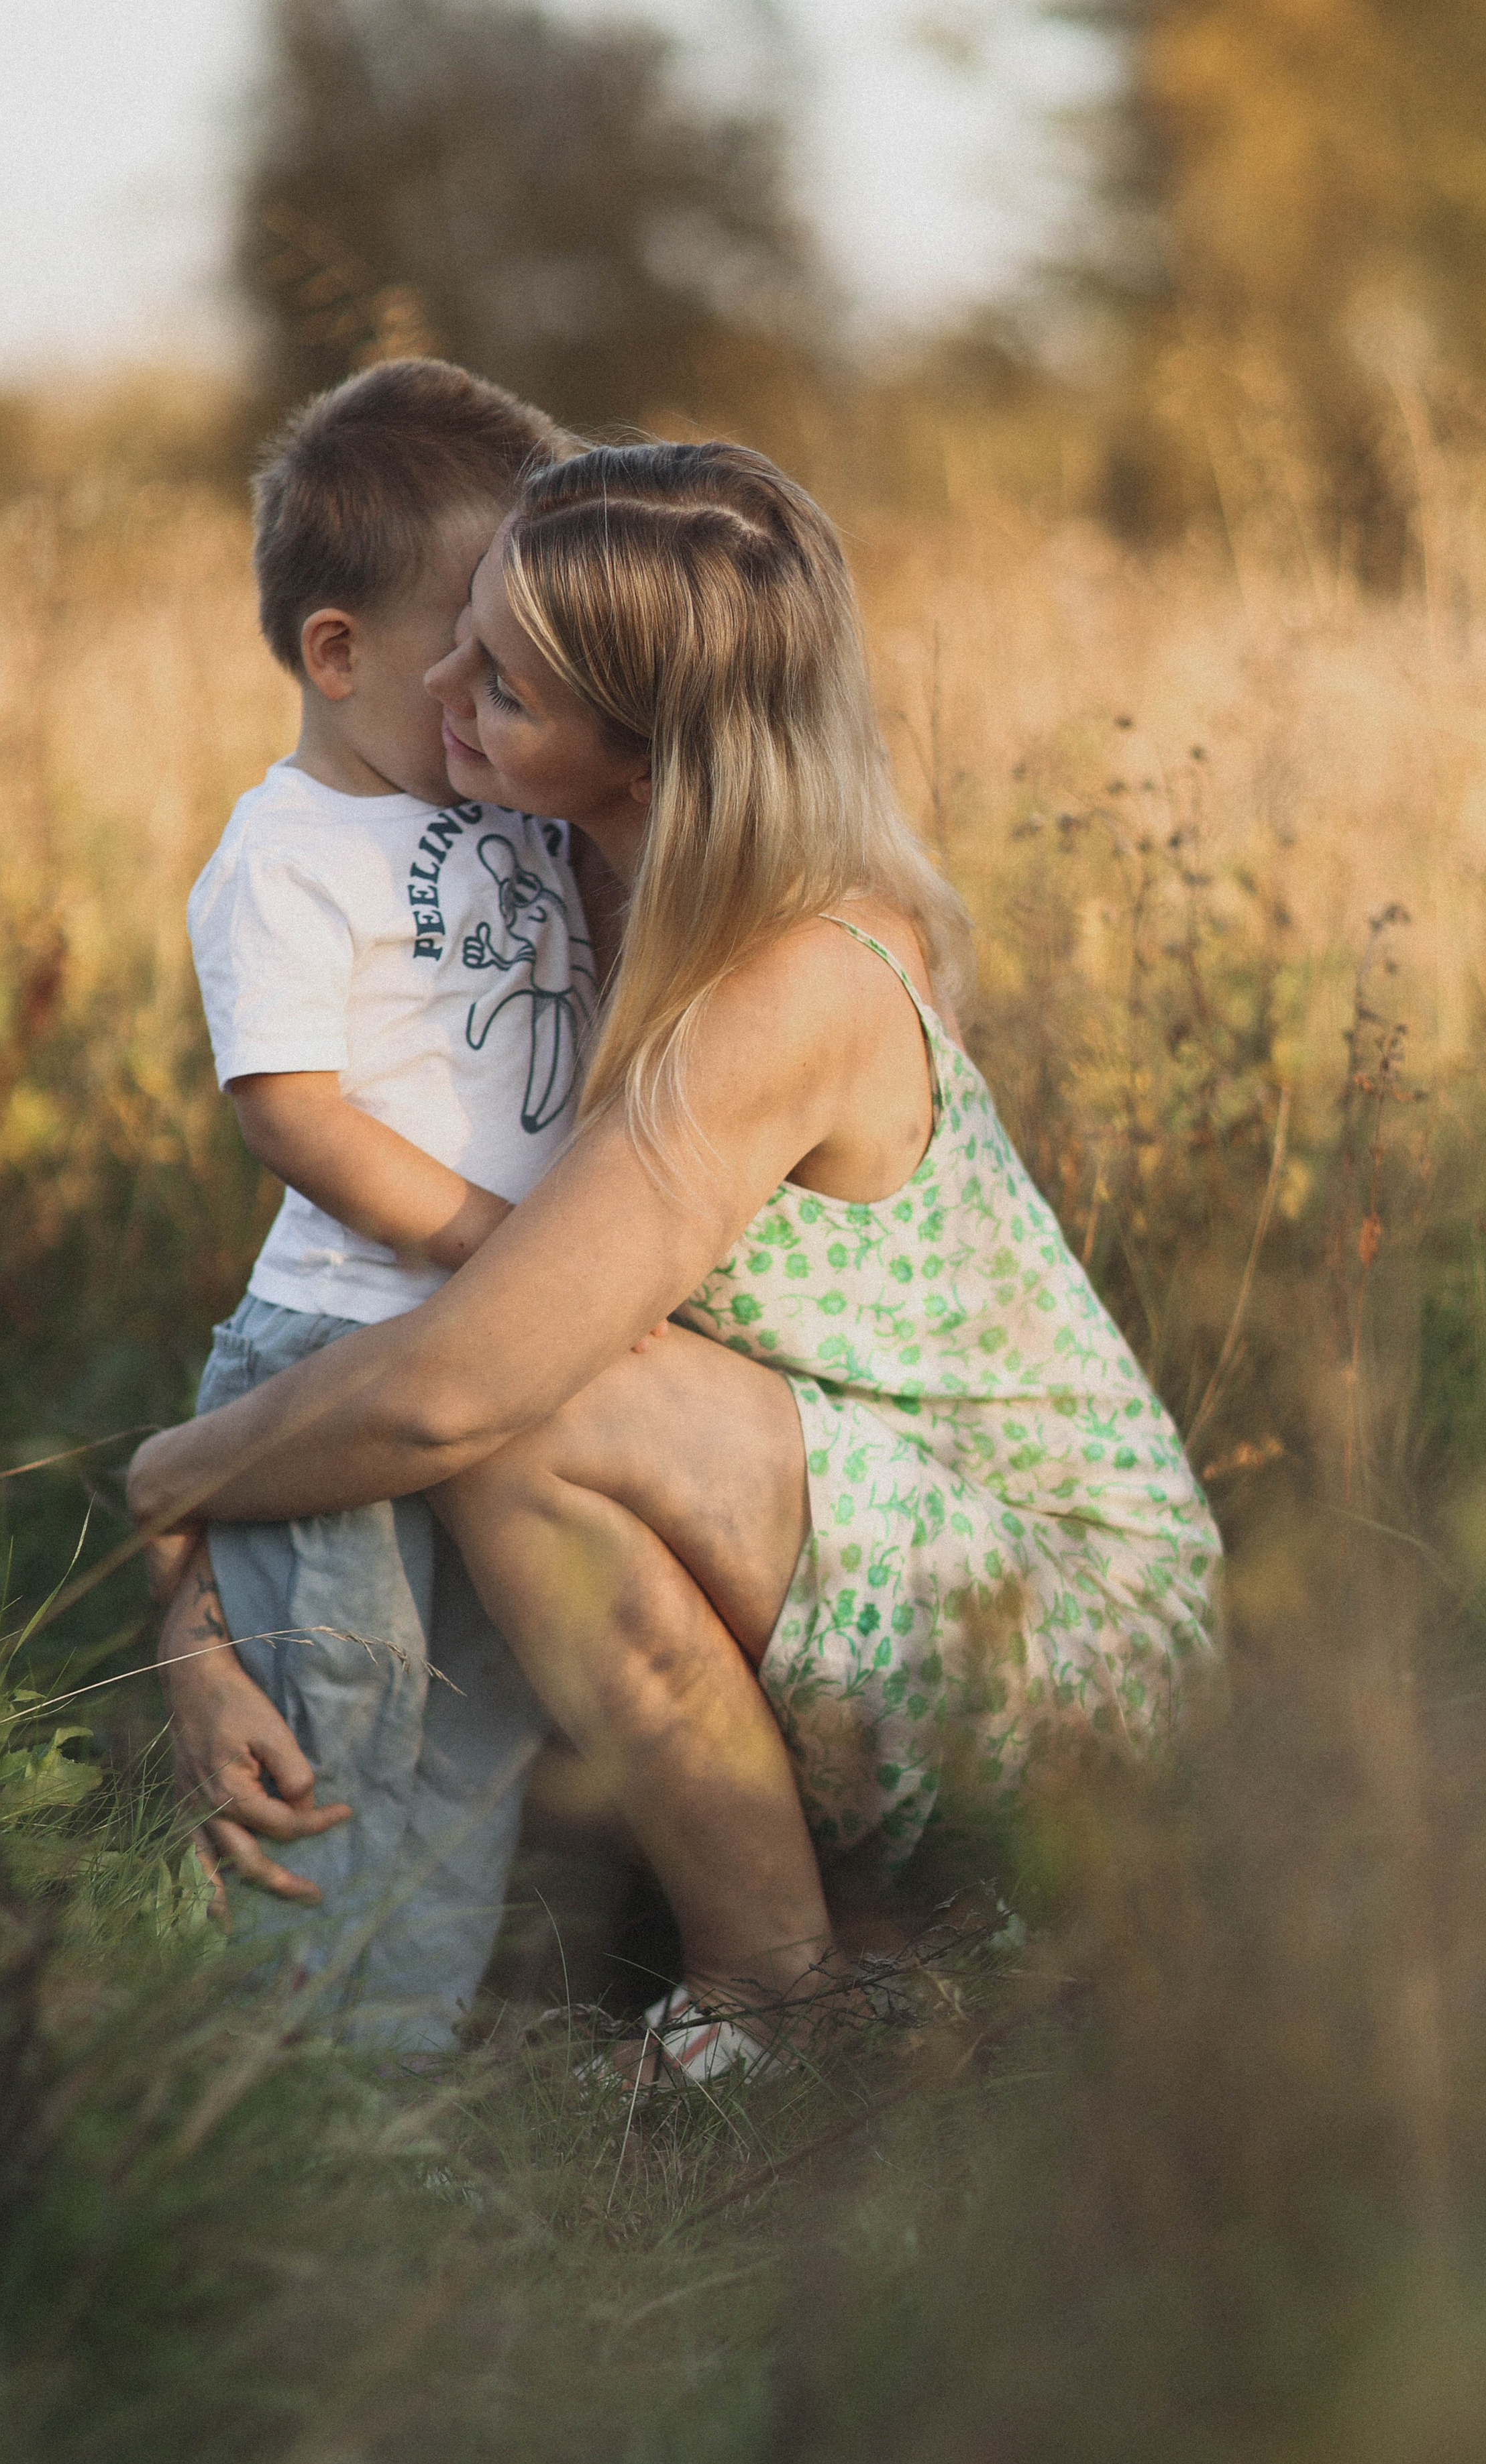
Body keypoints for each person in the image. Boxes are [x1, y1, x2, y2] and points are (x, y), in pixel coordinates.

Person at [133, 439, 1222, 2082]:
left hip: (1057, 1631)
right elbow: (365, 1269)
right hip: (816, 1526)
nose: (442, 684)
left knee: (528, 1410)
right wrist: (194, 1612)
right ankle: (807, 1942)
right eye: (460, 636)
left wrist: (164, 1487)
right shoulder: (549, 862)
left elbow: (458, 1389)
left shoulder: (793, 975)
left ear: (641, 753)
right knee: (512, 1378)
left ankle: (772, 1986)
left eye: (498, 679)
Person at [177, 357, 606, 2057]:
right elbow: (287, 1104)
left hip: (487, 1358)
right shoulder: (285, 852)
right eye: (471, 646)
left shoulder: (499, 803)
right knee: (337, 1718)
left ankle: (398, 2062)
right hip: (353, 1339)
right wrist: (490, 1248)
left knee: (473, 1726)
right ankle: (293, 2086)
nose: (501, 685)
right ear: (336, 651)